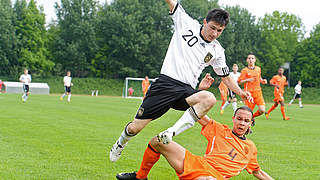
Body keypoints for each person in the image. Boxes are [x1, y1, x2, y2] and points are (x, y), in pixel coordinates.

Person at [109, 0, 251, 162]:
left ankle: (170, 133)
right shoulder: (186, 23)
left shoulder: (217, 51)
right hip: (165, 85)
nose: (214, 33)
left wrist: (240, 92)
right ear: (204, 22)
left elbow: (225, 76)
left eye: (219, 31)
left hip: (185, 91)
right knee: (135, 128)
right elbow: (172, 3)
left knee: (209, 98)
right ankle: (120, 143)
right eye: (212, 28)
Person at [116, 106, 273, 180]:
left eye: (246, 121)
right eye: (239, 119)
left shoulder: (250, 148)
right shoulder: (220, 129)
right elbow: (197, 112)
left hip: (215, 177)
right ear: (233, 119)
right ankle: (140, 177)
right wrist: (200, 90)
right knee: (159, 141)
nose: (241, 123)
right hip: (198, 164)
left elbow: (257, 172)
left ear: (251, 123)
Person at [238, 53, 267, 118]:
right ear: (247, 60)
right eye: (249, 58)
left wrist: (263, 81)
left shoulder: (258, 69)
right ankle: (248, 123)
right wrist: (247, 80)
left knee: (262, 110)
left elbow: (259, 78)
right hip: (249, 94)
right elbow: (239, 82)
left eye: (252, 58)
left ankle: (252, 117)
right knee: (248, 112)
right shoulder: (244, 70)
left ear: (255, 60)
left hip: (258, 92)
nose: (251, 60)